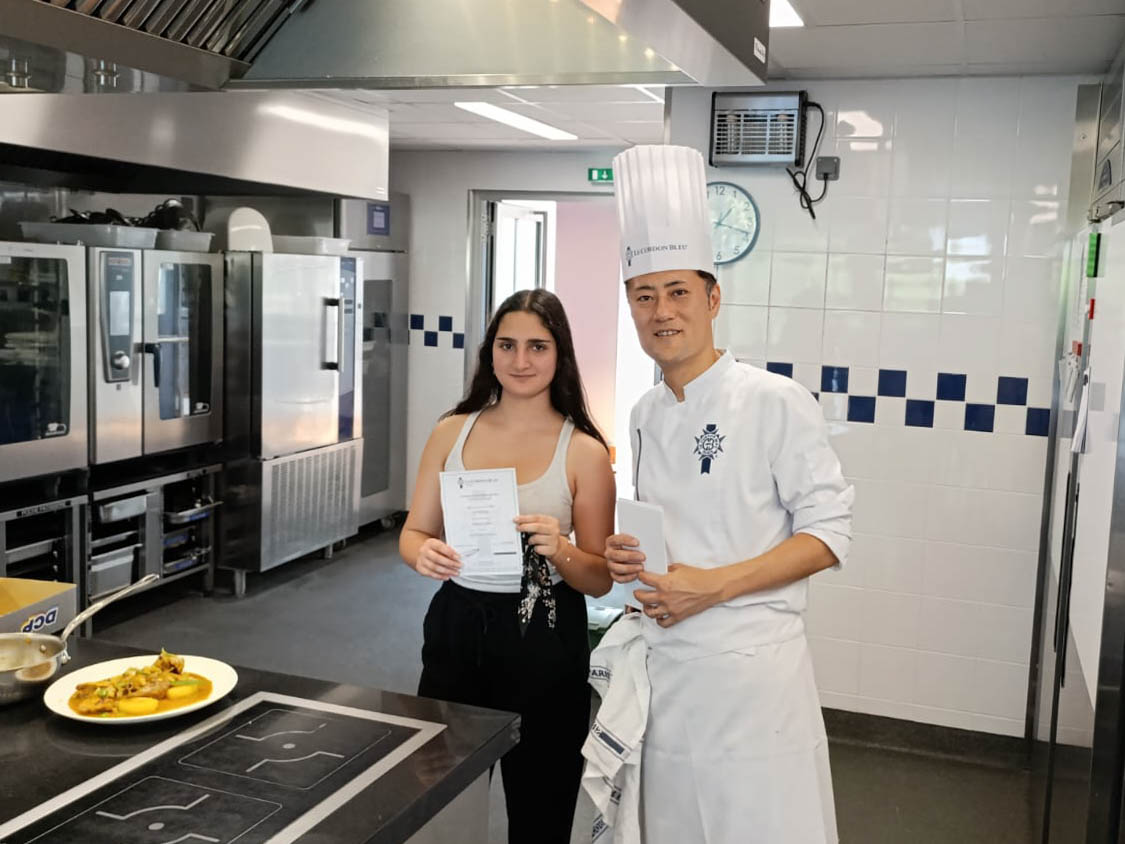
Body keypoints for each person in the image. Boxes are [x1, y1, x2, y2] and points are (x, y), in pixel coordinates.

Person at [604, 144, 855, 843]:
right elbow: (674, 526)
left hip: (752, 676)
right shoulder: (645, 412)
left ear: (713, 298)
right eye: (643, 295)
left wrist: (712, 586)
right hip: (668, 665)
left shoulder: (775, 401)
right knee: (675, 824)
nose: (661, 311)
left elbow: (828, 534)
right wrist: (630, 556)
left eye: (677, 292)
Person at [400, 288, 616, 842]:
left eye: (538, 347)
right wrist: (422, 552)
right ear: (489, 353)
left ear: (560, 355)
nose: (521, 360)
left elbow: (598, 578)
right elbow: (413, 533)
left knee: (541, 803)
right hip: (458, 628)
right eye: (507, 345)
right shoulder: (453, 431)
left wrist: (560, 548)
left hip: (546, 636)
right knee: (443, 799)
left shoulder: (584, 451)